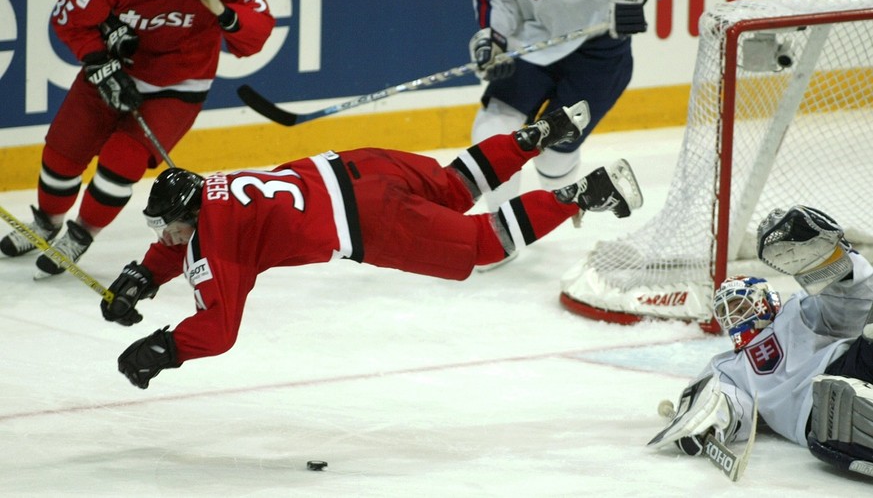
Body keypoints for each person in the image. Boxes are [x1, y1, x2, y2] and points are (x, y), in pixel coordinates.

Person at [99, 100, 643, 389]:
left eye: (167, 227)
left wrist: (163, 350)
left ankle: (584, 192)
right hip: (363, 165)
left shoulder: (216, 239)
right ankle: (538, 134)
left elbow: (217, 330)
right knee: (456, 185)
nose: (166, 238)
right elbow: (182, 240)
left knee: (483, 244)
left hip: (368, 219)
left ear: (190, 214)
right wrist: (143, 277)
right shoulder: (214, 190)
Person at [0, 0, 275, 278]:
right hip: (109, 74)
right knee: (63, 152)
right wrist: (99, 60)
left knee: (121, 164)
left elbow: (254, 37)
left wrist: (223, 11)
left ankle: (82, 233)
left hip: (177, 88)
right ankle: (47, 223)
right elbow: (70, 20)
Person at [468, 0, 673, 218]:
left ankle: (554, 217)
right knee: (492, 130)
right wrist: (493, 40)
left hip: (598, 52)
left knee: (552, 157)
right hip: (535, 45)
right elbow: (496, 1)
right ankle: (501, 229)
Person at [648, 205, 873, 478]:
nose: (733, 316)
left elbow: (849, 303)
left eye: (740, 306)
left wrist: (836, 262)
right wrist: (706, 427)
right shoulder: (727, 367)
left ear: (764, 301)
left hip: (851, 371)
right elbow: (724, 406)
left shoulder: (797, 312)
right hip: (821, 413)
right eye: (726, 311)